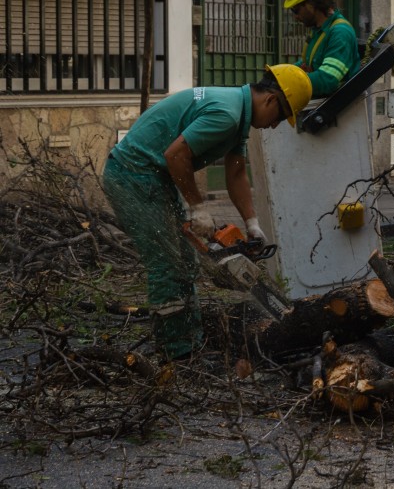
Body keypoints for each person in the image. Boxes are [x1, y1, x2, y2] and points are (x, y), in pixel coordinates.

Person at [102, 65, 312, 361]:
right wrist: (198, 207)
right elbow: (175, 155)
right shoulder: (226, 114)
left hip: (154, 177)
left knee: (186, 261)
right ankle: (177, 353)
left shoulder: (237, 114)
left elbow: (237, 173)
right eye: (279, 117)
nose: (275, 125)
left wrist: (252, 224)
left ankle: (189, 339)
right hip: (132, 175)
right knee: (167, 263)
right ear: (271, 100)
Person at [284, 0, 361, 98]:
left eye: (296, 10)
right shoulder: (320, 30)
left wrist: (291, 82)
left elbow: (328, 79)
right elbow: (307, 63)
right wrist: (283, 74)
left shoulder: (340, 33)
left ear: (311, 4)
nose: (295, 17)